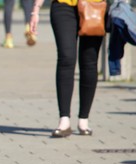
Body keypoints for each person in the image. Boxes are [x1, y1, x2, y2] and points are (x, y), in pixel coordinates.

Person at [30, 0, 104, 137]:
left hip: (95, 5)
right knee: (66, 58)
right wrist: (36, 10)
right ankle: (64, 120)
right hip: (63, 6)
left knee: (89, 62)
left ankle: (84, 119)